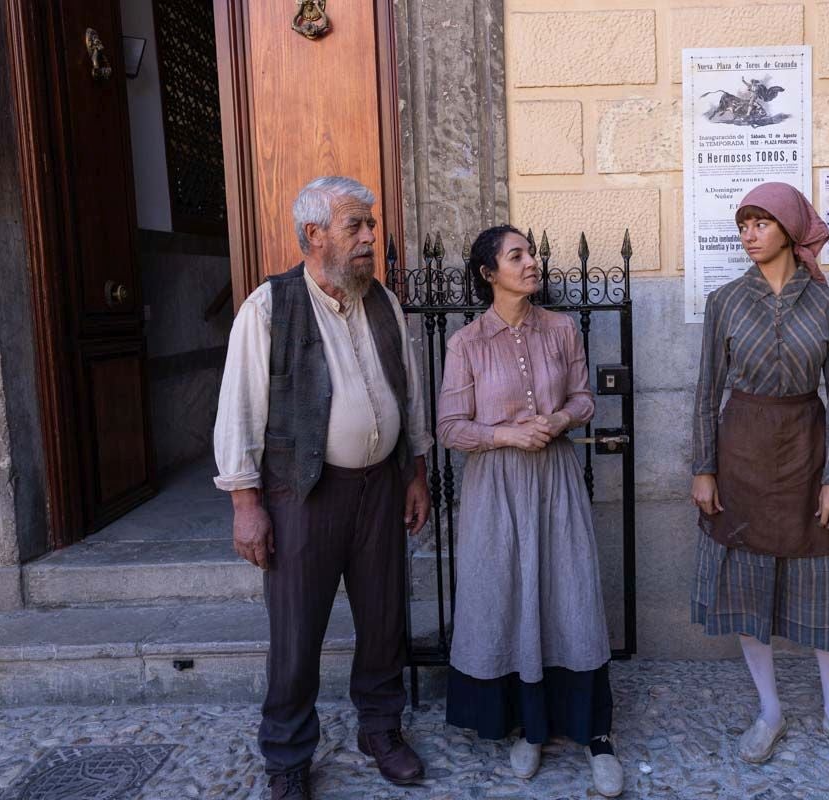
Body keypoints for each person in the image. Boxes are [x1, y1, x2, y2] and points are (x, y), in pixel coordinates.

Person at [213, 176, 433, 800]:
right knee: (296, 632)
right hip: (302, 494)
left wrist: (414, 471)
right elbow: (239, 412)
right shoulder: (269, 307)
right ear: (313, 235)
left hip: (381, 489)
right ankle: (287, 758)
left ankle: (380, 729)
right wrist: (245, 503)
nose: (371, 237)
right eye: (356, 226)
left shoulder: (383, 303)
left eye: (370, 226)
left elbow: (408, 393)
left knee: (385, 617)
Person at [689, 182, 829, 772]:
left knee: (824, 589)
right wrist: (704, 467)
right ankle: (769, 710)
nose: (748, 234)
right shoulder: (724, 301)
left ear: (791, 230)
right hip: (741, 455)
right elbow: (705, 394)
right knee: (748, 591)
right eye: (743, 223)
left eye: (760, 223)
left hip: (807, 454)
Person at [436, 225, 624, 797]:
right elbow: (449, 428)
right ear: (490, 273)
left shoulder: (562, 329)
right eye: (516, 256)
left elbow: (584, 398)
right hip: (496, 489)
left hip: (556, 483)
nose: (531, 263)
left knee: (569, 592)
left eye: (532, 253)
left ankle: (596, 735)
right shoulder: (466, 343)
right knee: (511, 595)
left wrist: (561, 421)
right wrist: (504, 436)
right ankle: (529, 730)